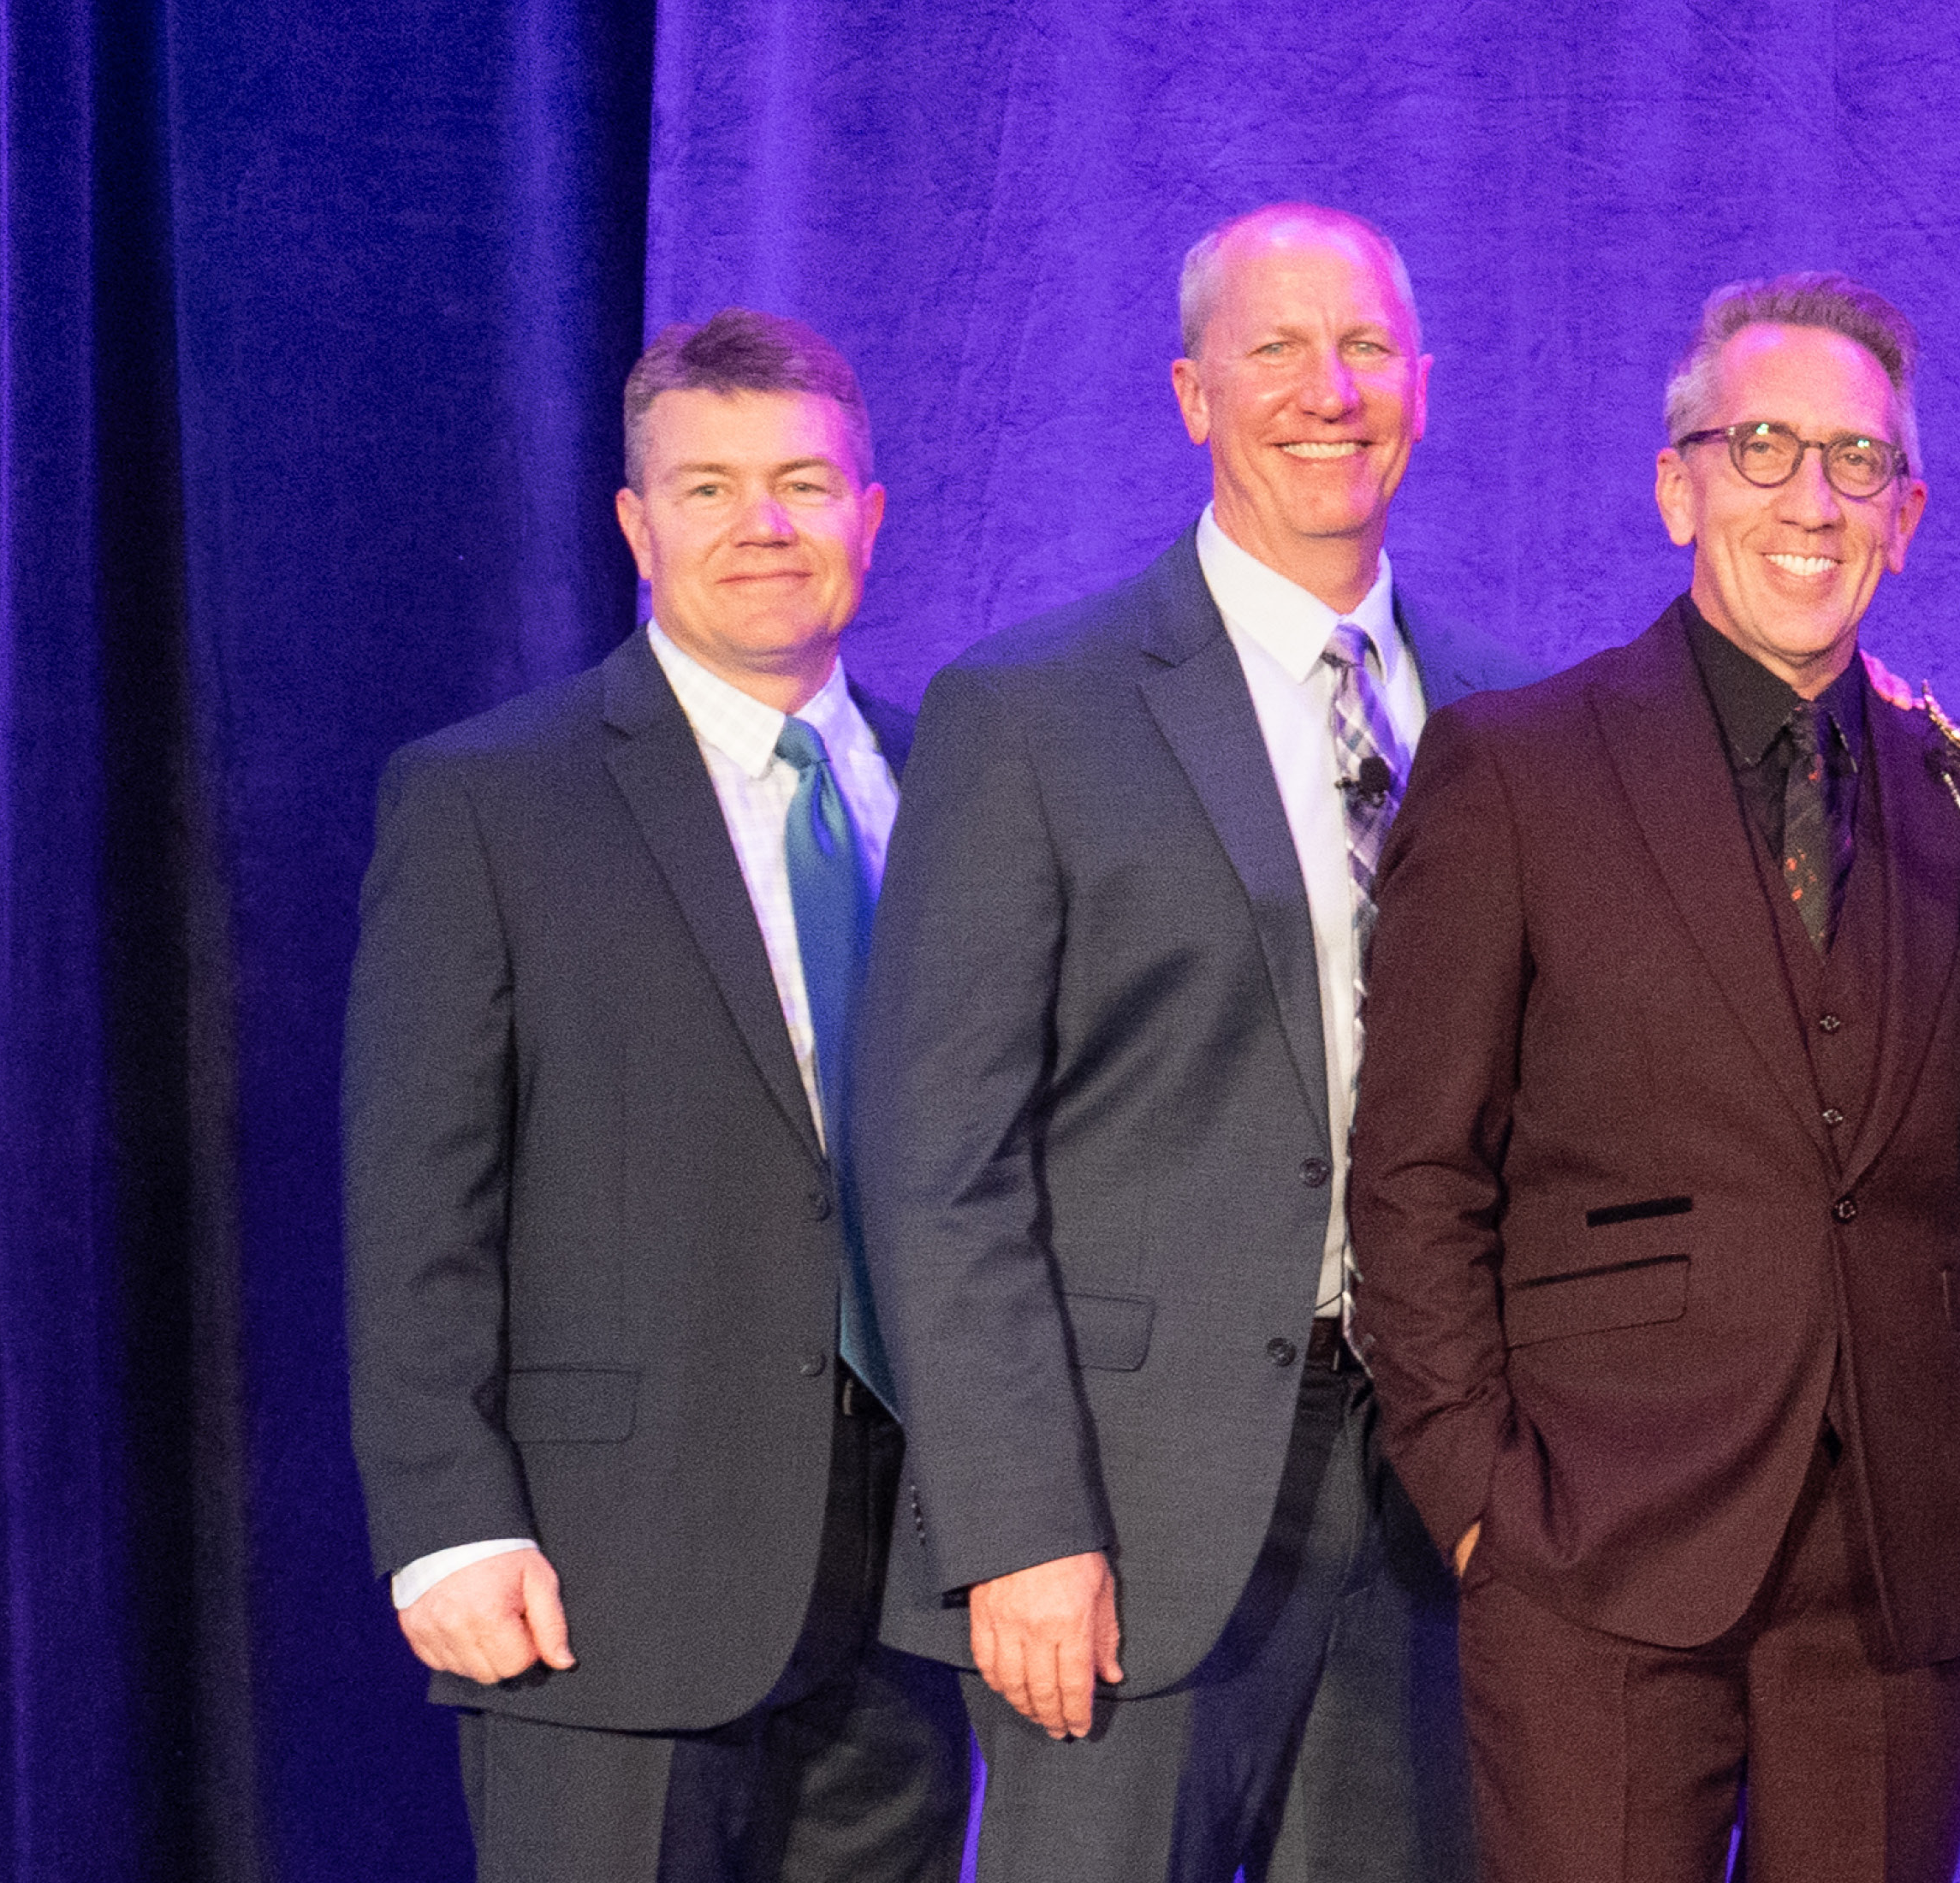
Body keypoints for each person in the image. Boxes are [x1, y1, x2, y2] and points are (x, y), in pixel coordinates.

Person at [855, 200, 1511, 1880]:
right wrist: (1016, 1524)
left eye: (1365, 347)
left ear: (1423, 386)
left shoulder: (1511, 718)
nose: (1328, 390)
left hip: (1429, 1509)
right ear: (1190, 394)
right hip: (1123, 1520)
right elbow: (939, 1164)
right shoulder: (1031, 711)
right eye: (1275, 347)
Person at [1346, 272, 1960, 1883]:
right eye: (1763, 447)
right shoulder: (1517, 766)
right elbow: (1415, 1169)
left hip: (1892, 1561)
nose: (1811, 499)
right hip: (1592, 1542)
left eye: (1857, 461)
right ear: (1677, 487)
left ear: (1907, 514)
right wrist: (1477, 1497)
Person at [347, 307, 971, 1883]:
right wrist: (447, 1518)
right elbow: (418, 1203)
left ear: (870, 516)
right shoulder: (491, 799)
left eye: (803, 485)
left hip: (917, 1586)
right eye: (708, 489)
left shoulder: (964, 789)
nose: (763, 525)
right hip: (606, 1579)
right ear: (637, 527)